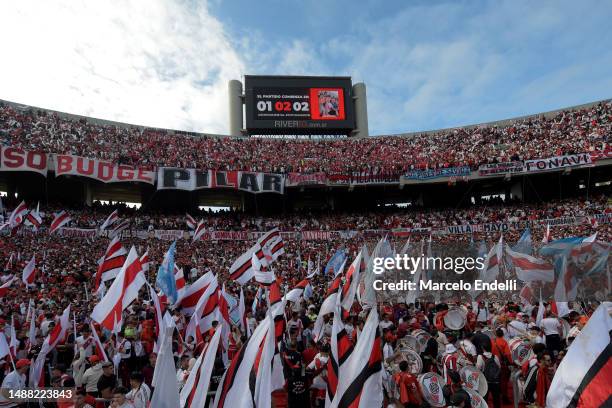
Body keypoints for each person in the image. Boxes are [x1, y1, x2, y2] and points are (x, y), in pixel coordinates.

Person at [476, 341, 501, 408]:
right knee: (496, 399)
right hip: (495, 381)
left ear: (482, 348)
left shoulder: (480, 357)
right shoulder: (495, 356)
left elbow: (478, 368)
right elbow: (499, 367)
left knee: (485, 399)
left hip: (485, 381)